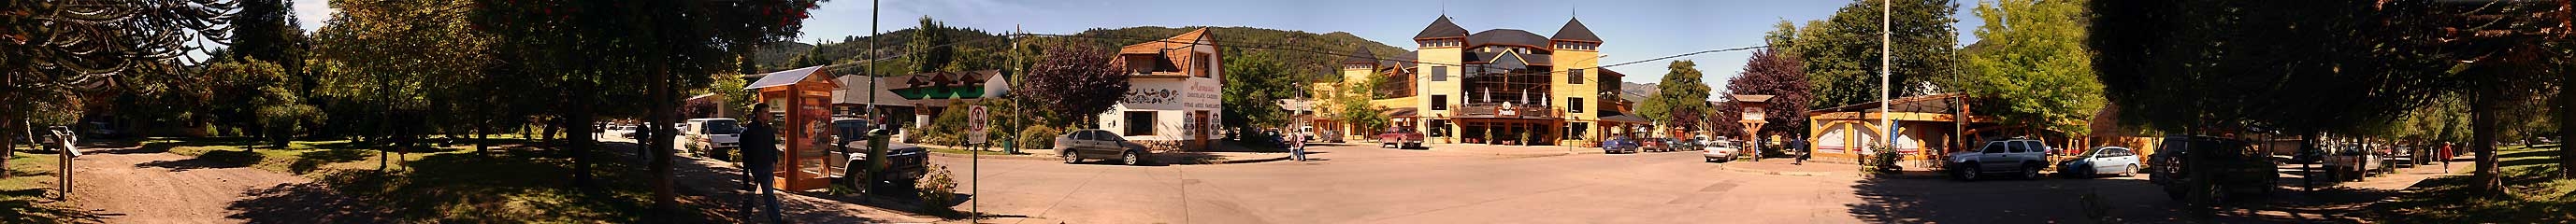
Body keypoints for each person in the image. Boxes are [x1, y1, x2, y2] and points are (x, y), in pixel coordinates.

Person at [738, 104, 784, 223]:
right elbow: (743, 147)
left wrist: (774, 160)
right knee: (750, 194)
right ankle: (745, 216)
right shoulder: (749, 129)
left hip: (767, 166)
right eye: (765, 112)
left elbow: (772, 146)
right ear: (758, 113)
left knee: (769, 194)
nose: (768, 114)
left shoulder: (768, 128)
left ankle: (776, 220)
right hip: (754, 167)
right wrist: (748, 164)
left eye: (768, 112)